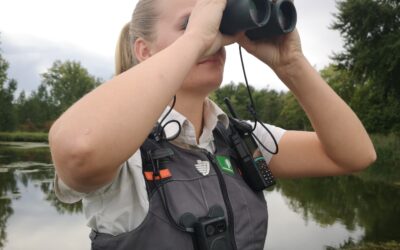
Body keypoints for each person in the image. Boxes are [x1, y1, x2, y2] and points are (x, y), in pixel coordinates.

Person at [49, 0, 377, 249]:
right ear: (144, 51)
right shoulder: (125, 152)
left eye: (217, 24)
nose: (213, 37)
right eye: (189, 24)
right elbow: (79, 148)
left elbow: (353, 155)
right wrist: (196, 39)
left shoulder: (240, 138)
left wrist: (292, 64)